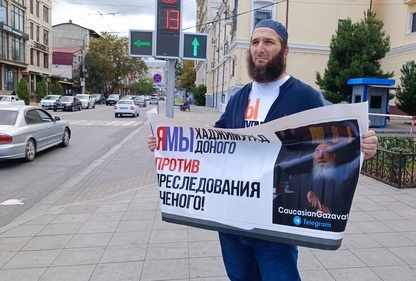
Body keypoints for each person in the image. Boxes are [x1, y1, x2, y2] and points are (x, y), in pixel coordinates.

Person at [148, 19, 378, 281]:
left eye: (269, 42)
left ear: (285, 50)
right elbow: (213, 142)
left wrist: (363, 146)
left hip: (275, 225)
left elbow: (336, 138)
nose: (260, 48)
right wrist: (168, 144)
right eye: (255, 42)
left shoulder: (306, 97)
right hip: (231, 221)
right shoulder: (238, 97)